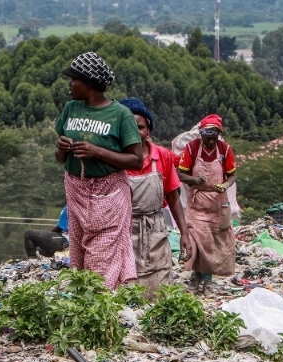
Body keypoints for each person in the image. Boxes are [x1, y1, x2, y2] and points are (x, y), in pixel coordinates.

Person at [54, 52, 143, 289]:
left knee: (101, 259)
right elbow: (60, 159)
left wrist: (97, 152)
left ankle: (102, 309)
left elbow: (136, 160)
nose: (70, 85)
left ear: (90, 83)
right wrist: (61, 147)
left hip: (109, 195)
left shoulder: (120, 115)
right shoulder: (71, 109)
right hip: (77, 192)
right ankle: (88, 310)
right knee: (80, 256)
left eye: (74, 80)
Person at [119, 98, 192, 292]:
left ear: (148, 130)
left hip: (154, 231)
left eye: (140, 127)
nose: (134, 133)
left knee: (159, 288)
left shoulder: (163, 156)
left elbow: (173, 197)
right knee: (125, 292)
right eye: (127, 127)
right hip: (121, 232)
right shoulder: (112, 159)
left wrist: (185, 234)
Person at [177, 114, 237, 293]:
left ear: (218, 135)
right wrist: (195, 179)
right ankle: (196, 275)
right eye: (207, 138)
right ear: (201, 135)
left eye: (214, 138)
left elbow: (232, 175)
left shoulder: (225, 150)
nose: (211, 142)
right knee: (196, 239)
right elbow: (180, 174)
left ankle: (208, 280)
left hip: (217, 204)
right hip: (197, 203)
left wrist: (225, 185)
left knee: (212, 242)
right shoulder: (192, 148)